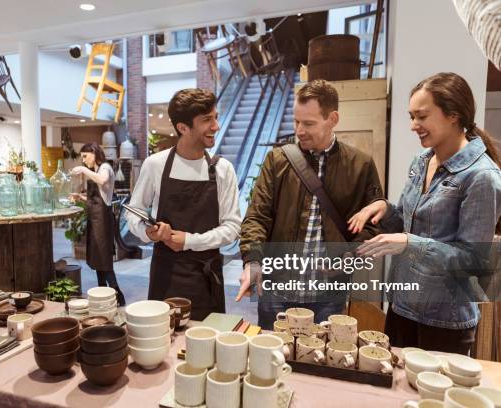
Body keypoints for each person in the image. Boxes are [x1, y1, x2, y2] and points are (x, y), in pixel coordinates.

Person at [350, 72, 501, 355]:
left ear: (453, 115)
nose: (413, 125)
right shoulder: (421, 161)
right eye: (411, 117)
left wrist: (409, 243)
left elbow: (473, 262)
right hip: (401, 308)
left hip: (445, 323)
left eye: (421, 116)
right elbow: (409, 223)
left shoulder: (482, 177)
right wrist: (386, 210)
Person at [237, 79, 384, 329]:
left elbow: (373, 227)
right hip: (276, 291)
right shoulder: (278, 160)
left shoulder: (361, 165)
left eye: (308, 123)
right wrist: (253, 261)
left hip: (328, 295)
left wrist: (347, 258)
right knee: (273, 359)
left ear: (333, 118)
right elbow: (257, 217)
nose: (299, 130)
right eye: (296, 122)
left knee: (322, 360)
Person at [126, 88, 241, 321]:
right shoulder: (155, 164)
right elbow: (134, 212)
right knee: (163, 340)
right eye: (207, 120)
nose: (216, 126)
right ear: (183, 128)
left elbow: (232, 227)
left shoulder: (222, 169)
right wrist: (148, 232)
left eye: (216, 117)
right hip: (165, 274)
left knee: (206, 345)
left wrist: (189, 241)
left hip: (206, 276)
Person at [71, 143, 125, 306]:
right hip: (94, 220)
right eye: (82, 158)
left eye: (85, 156)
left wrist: (84, 170)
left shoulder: (105, 168)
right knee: (97, 260)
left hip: (103, 222)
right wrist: (80, 198)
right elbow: (94, 199)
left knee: (104, 260)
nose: (84, 160)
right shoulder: (95, 171)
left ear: (94, 153)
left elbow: (102, 181)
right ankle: (102, 292)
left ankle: (117, 295)